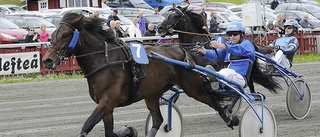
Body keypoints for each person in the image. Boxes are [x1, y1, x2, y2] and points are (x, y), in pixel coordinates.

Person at [198, 21, 256, 89]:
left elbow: (239, 50)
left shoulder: (247, 44)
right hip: (226, 76)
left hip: (240, 78)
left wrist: (222, 46)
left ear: (241, 34)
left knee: (226, 72)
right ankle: (213, 81)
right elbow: (215, 55)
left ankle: (216, 80)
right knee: (204, 73)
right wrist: (204, 51)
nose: (232, 36)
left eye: (235, 34)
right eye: (229, 34)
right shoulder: (228, 45)